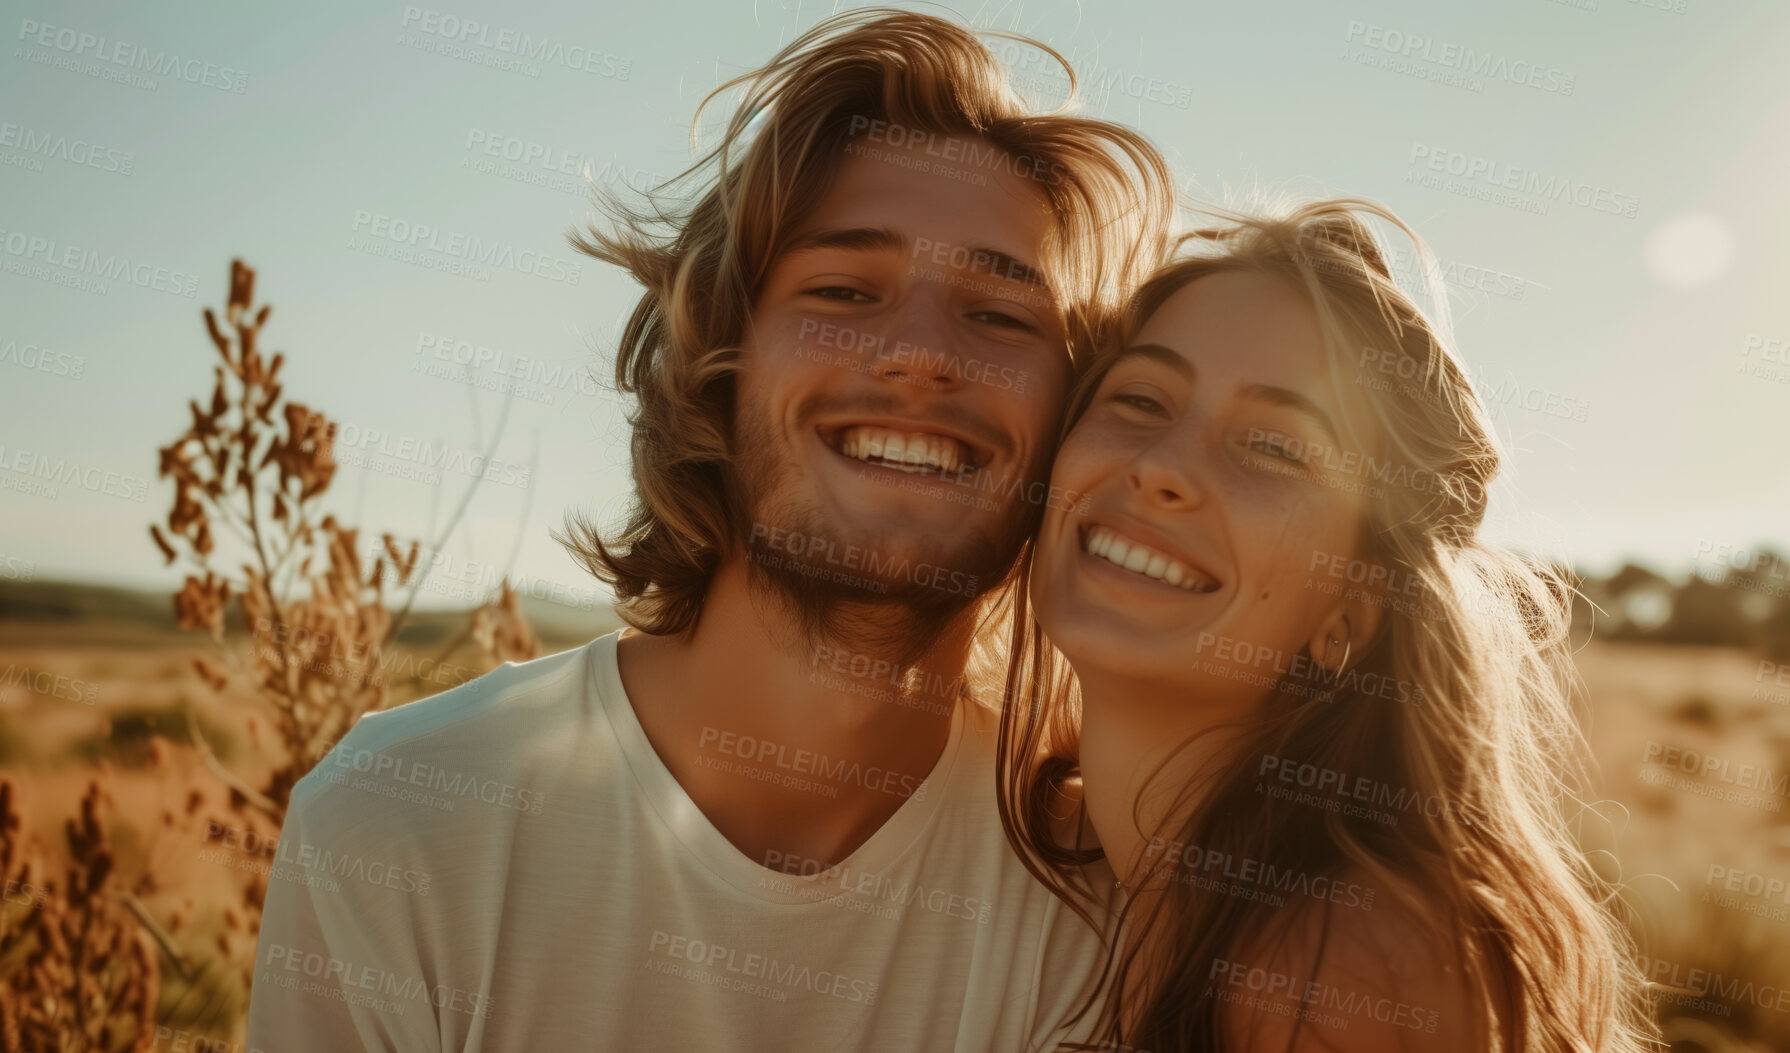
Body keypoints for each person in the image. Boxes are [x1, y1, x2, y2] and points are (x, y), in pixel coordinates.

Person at [246, 9, 1171, 1050]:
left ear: (1069, 424)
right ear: (715, 362)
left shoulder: (1109, 902)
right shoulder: (400, 827)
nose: (921, 353)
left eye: (1002, 316)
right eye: (844, 290)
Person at [998, 199, 1660, 1052]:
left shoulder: (1334, 968)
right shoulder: (1069, 853)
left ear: (1350, 607)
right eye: (1140, 398)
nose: (1161, 466)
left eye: (1272, 446)